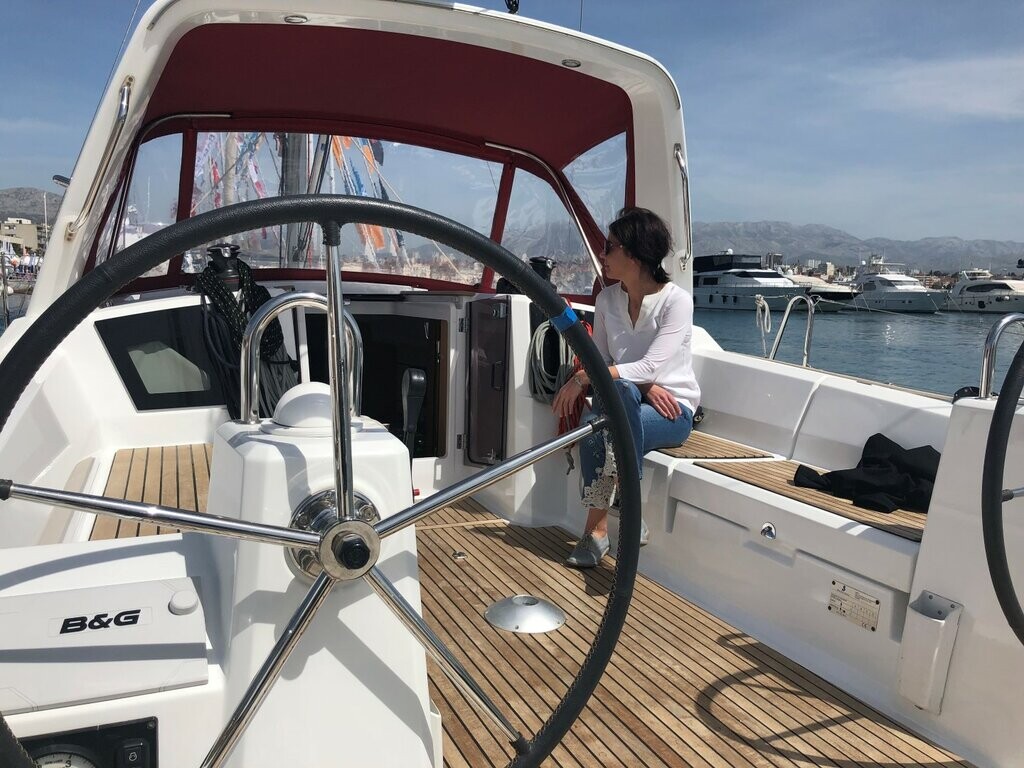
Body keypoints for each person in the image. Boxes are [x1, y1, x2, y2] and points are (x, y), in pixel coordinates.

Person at [552, 207, 700, 568]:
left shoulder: (676, 302)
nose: (602, 254)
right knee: (610, 411)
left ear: (635, 254)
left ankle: (599, 530)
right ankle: (620, 517)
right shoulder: (607, 300)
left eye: (610, 247)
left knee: (601, 425)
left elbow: (647, 366)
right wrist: (643, 386)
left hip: (673, 410)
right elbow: (601, 361)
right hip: (627, 400)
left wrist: (583, 379)